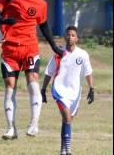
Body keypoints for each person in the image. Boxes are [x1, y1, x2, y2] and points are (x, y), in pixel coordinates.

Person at [0, 0, 64, 139]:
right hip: (10, 50)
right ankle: (11, 128)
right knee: (9, 87)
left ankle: (34, 123)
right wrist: (6, 21)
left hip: (30, 49)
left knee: (33, 82)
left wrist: (54, 47)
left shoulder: (40, 4)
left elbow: (44, 26)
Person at [41, 26, 94, 155]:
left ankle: (62, 150)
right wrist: (43, 89)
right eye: (68, 35)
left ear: (77, 38)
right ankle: (69, 150)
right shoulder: (59, 54)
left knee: (67, 121)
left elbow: (88, 73)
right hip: (59, 90)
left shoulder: (83, 54)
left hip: (75, 93)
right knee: (67, 118)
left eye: (72, 35)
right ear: (65, 37)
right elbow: (49, 72)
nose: (70, 37)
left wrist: (91, 89)